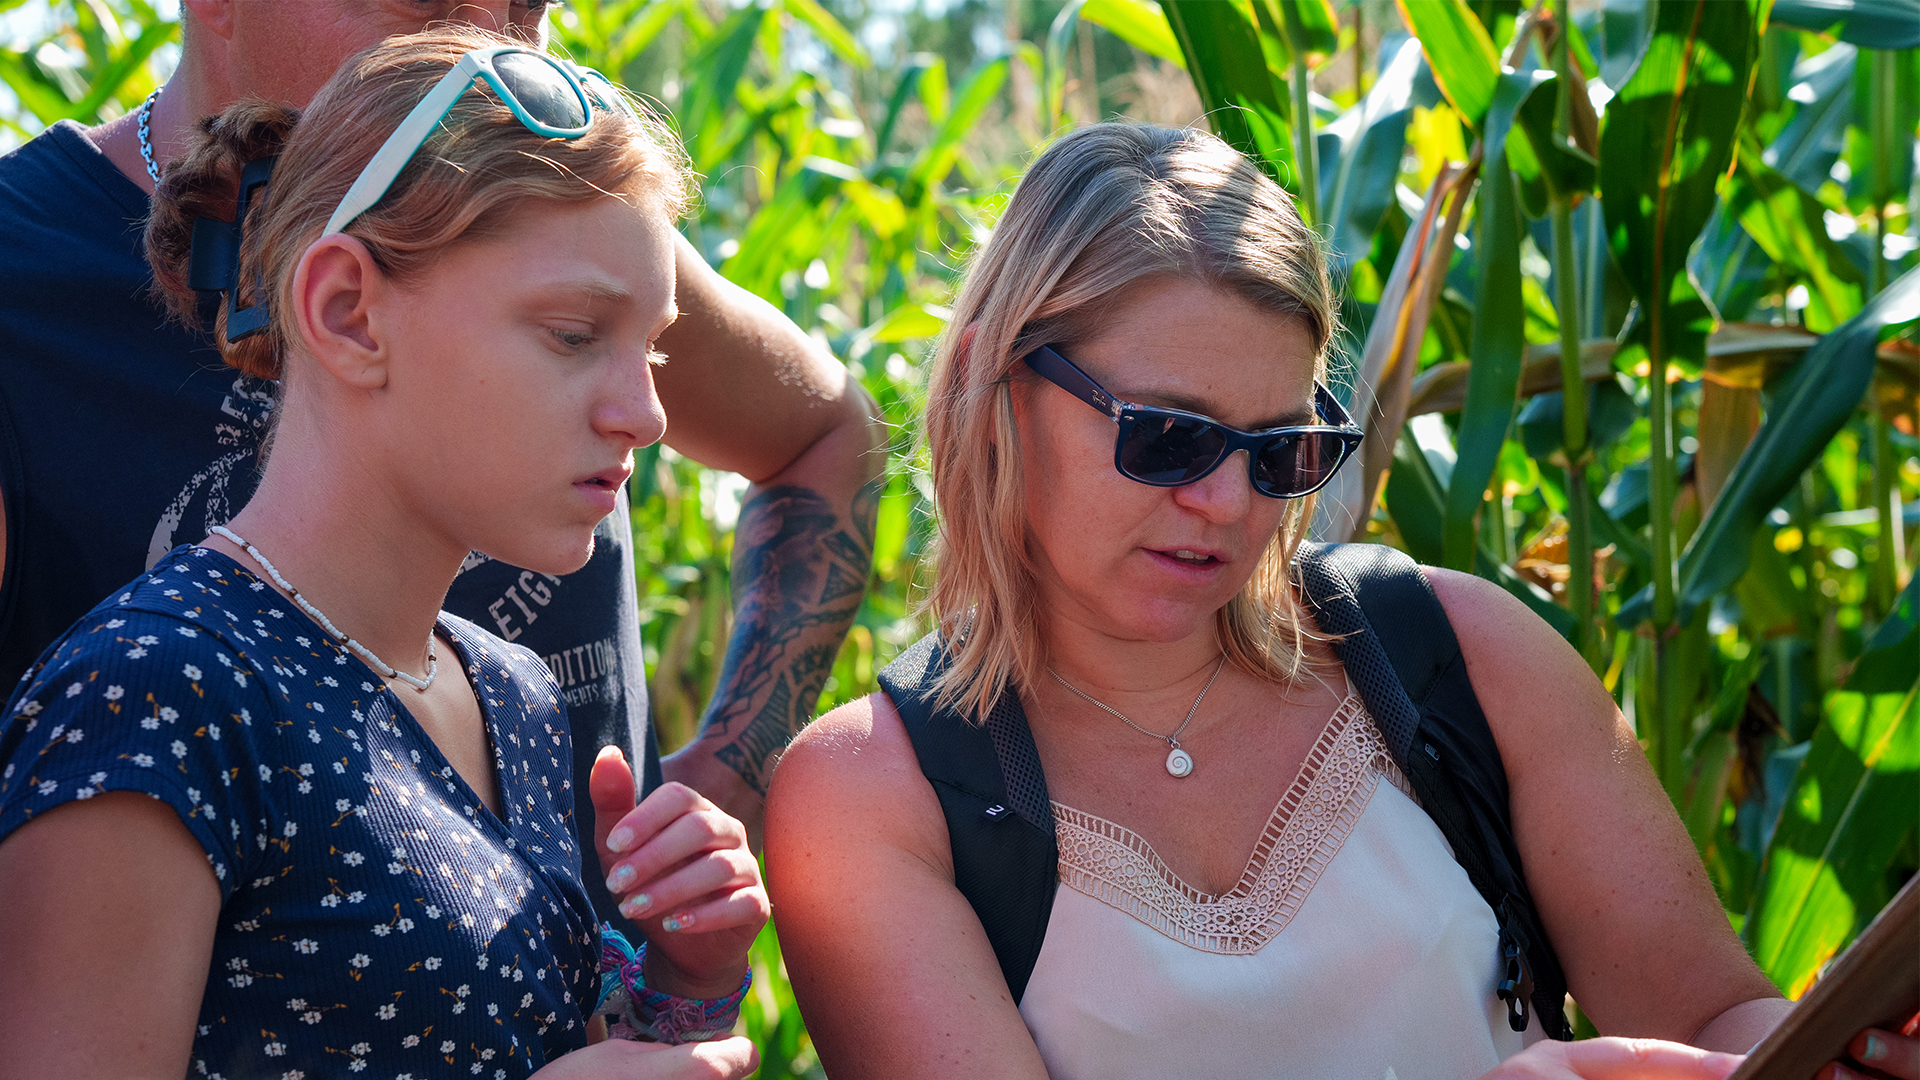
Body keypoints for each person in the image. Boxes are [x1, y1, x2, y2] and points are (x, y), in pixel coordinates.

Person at [764, 122, 1809, 1080]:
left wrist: (1841, 1047)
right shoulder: (873, 802)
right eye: (1167, 436)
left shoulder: (1459, 655)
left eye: (1282, 452)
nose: (1223, 501)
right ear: (999, 390)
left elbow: (1716, 1022)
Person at [0, 3, 881, 949]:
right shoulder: (24, 280)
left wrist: (724, 780)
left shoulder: (554, 223)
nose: (494, 42)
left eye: (531, 9)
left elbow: (824, 434)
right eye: (430, 5)